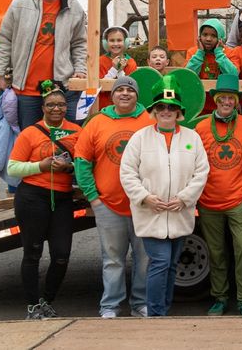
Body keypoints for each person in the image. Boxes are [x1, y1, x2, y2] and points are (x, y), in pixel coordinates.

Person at [120, 75, 210, 317]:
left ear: (179, 111)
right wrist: (144, 197)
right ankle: (156, 313)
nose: (166, 111)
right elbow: (127, 172)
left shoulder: (192, 138)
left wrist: (185, 197)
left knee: (171, 265)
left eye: (171, 108)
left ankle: (164, 308)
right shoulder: (140, 138)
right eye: (161, 107)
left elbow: (202, 171)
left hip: (179, 213)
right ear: (154, 111)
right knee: (160, 261)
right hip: (152, 213)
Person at [73, 74, 154, 318]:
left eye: (130, 90)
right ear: (113, 94)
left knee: (144, 259)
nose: (125, 94)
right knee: (112, 260)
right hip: (108, 204)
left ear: (137, 95)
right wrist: (93, 197)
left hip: (143, 204)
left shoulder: (149, 120)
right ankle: (110, 306)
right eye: (120, 90)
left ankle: (140, 303)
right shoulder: (97, 122)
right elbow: (82, 160)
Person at [6, 80, 80, 319]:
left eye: (60, 104)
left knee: (61, 255)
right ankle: (32, 305)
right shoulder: (30, 133)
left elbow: (84, 165)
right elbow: (13, 168)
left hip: (62, 198)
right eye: (51, 105)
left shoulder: (76, 132)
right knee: (33, 252)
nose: (56, 109)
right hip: (32, 197)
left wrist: (68, 168)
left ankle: (47, 299)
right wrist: (41, 165)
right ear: (43, 107)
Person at [194, 74, 242, 317]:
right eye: (222, 97)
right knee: (216, 252)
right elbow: (193, 162)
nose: (226, 101)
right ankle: (220, 297)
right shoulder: (201, 128)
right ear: (216, 100)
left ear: (236, 100)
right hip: (209, 200)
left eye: (230, 97)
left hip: (239, 199)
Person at [0, 0, 87, 127]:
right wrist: (1, 72)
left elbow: (80, 43)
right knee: (29, 138)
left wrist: (80, 69)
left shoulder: (74, 8)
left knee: (60, 139)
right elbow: (5, 39)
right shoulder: (20, 3)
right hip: (26, 88)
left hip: (59, 89)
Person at [97, 26, 137, 110]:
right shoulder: (100, 61)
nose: (115, 44)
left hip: (125, 108)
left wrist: (120, 71)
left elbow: (129, 88)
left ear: (125, 42)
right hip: (103, 107)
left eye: (119, 40)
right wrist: (114, 69)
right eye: (112, 40)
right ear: (105, 43)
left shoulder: (131, 63)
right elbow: (100, 89)